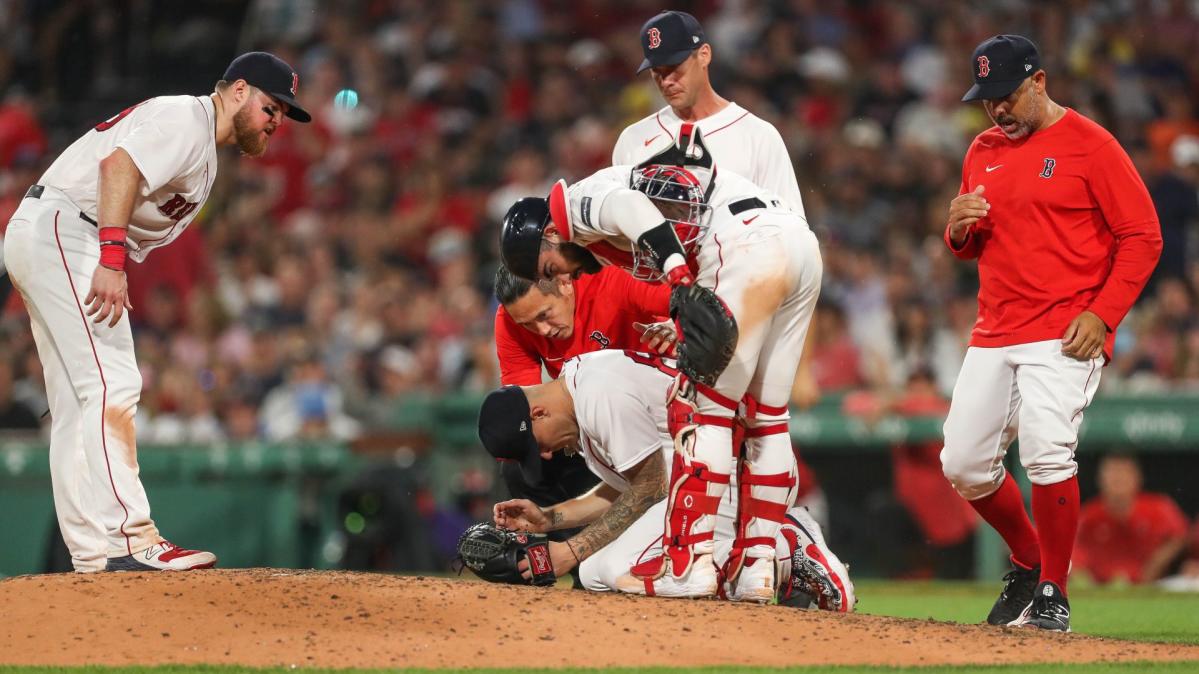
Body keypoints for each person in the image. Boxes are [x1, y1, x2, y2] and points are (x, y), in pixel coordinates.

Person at [3, 51, 311, 572]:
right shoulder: (187, 119)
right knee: (114, 384)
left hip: (55, 230)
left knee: (80, 404)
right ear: (237, 91)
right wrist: (111, 257)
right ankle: (130, 540)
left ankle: (92, 554)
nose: (276, 120)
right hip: (67, 227)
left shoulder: (204, 147)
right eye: (270, 106)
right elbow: (117, 166)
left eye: (283, 113)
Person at [499, 128, 822, 602]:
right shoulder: (600, 253)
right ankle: (757, 566)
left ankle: (697, 564)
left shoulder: (573, 209)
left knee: (699, 410)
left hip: (743, 248)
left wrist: (679, 277)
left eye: (549, 269)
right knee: (766, 415)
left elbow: (630, 209)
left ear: (550, 234)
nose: (562, 278)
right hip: (796, 243)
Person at [939, 35, 1162, 631]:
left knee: (1045, 451)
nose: (997, 110)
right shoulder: (982, 148)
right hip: (995, 327)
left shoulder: (1093, 145)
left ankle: (1053, 593)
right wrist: (957, 232)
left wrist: (1105, 312)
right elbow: (975, 244)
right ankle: (1030, 556)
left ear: (1039, 82)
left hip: (1064, 331)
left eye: (1006, 95)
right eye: (987, 99)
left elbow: (1143, 236)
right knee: (963, 463)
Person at [477, 349, 853, 611]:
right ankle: (766, 560)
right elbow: (631, 485)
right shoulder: (581, 386)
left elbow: (650, 486)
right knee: (594, 574)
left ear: (538, 412)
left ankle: (786, 546)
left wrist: (570, 551)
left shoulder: (597, 393)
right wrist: (551, 518)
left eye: (535, 444)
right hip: (709, 482)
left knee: (609, 569)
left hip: (738, 478)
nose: (543, 455)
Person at [489, 264, 671, 550]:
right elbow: (524, 402)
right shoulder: (512, 320)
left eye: (544, 315)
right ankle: (573, 561)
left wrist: (677, 326)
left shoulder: (609, 282)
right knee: (520, 464)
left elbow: (687, 304)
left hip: (660, 423)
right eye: (528, 325)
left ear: (564, 283)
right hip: (589, 430)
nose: (542, 331)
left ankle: (598, 549)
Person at [611, 11, 804, 213]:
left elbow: (790, 227)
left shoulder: (758, 135)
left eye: (674, 67)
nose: (666, 80)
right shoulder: (632, 139)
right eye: (657, 71)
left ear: (704, 55)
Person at [1074, 454, 1189, 585]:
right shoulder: (1089, 514)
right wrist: (1082, 572)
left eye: (1124, 474)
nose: (1118, 479)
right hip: (1103, 588)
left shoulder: (1157, 507)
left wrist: (1156, 564)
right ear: (1100, 480)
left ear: (1137, 478)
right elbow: (1071, 546)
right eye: (1113, 475)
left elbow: (1181, 535)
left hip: (1150, 585)